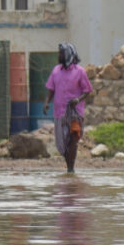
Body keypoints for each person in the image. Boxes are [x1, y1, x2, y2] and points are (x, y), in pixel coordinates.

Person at [43, 42, 93, 173]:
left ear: (68, 54)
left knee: (73, 138)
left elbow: (87, 90)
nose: (59, 55)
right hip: (60, 112)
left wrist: (78, 99)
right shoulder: (56, 71)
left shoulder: (80, 71)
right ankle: (69, 167)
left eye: (61, 53)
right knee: (63, 144)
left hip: (75, 111)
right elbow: (51, 89)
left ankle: (71, 169)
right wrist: (46, 102)